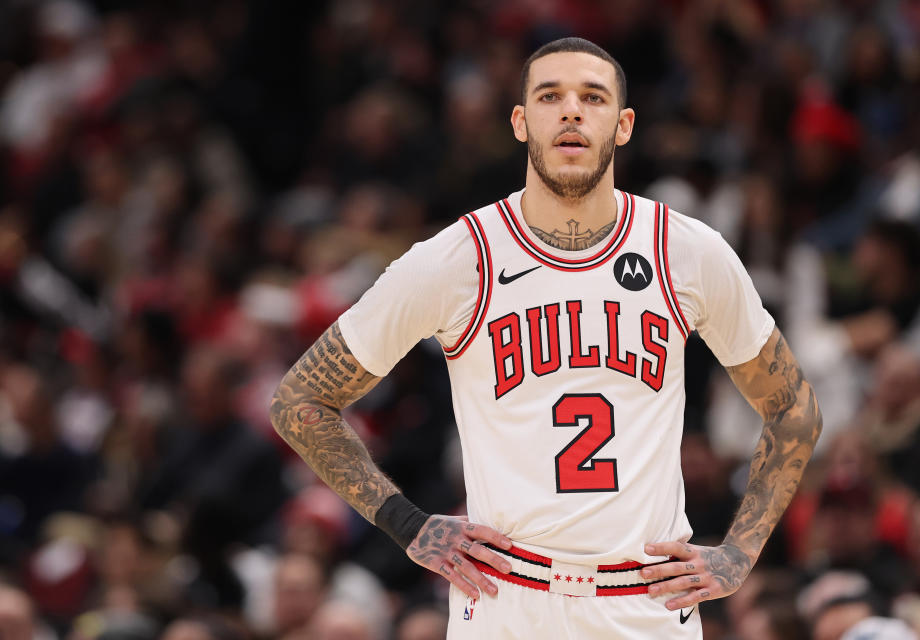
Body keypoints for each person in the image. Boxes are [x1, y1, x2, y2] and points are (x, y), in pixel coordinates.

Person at [270, 37, 822, 638]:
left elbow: (793, 408)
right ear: (519, 120)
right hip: (507, 600)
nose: (571, 112)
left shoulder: (687, 251)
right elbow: (298, 400)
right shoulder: (455, 259)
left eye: (593, 97)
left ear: (624, 124)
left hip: (646, 604)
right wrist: (407, 523)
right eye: (549, 95)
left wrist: (739, 554)